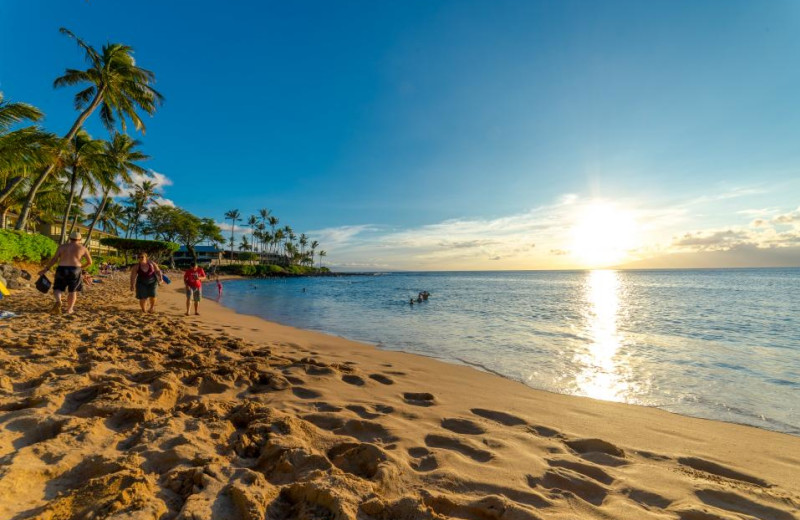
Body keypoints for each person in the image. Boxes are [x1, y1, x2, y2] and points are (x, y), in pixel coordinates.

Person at [37, 231, 92, 315]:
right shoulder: (83, 248)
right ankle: (69, 309)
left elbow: (54, 259)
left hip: (61, 268)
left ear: (69, 238)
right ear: (80, 239)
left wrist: (45, 269)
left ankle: (59, 301)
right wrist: (81, 267)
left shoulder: (62, 247)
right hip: (75, 269)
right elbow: (89, 262)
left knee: (57, 288)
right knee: (72, 290)